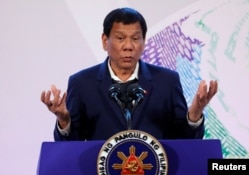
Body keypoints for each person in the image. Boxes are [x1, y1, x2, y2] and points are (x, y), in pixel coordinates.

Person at [41, 7, 218, 141]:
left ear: (144, 41)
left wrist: (194, 114)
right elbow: (72, 146)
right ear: (105, 41)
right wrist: (64, 121)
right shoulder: (81, 83)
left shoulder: (167, 81)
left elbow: (185, 141)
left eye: (135, 38)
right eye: (120, 38)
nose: (128, 46)